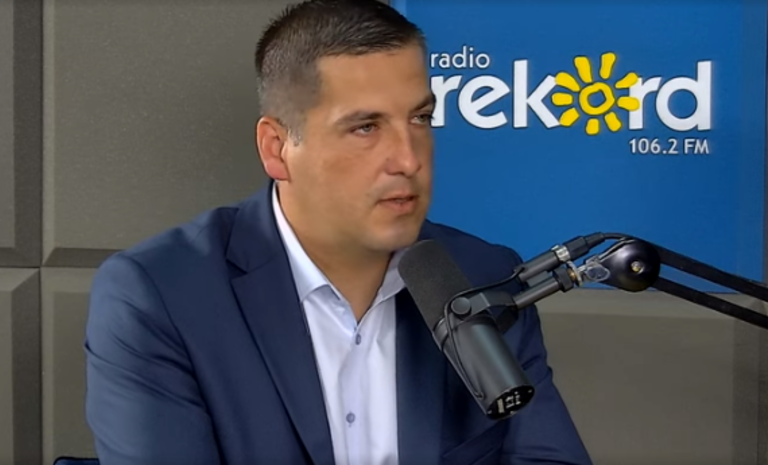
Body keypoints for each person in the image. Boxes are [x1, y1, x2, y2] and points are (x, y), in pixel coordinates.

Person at [84, 0, 593, 464]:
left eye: (420, 118)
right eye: (365, 127)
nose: (408, 159)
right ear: (277, 148)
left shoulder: (484, 276)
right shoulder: (158, 296)